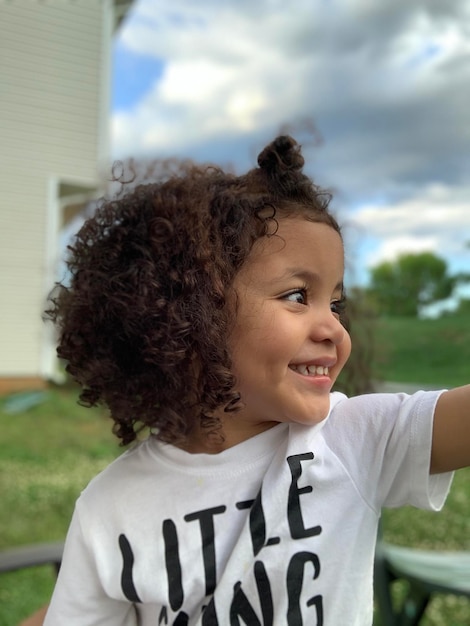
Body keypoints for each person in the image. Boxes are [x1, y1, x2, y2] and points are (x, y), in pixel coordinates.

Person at [42, 135, 469, 626]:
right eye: (296, 295)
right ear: (192, 315)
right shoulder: (108, 508)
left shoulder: (353, 439)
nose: (334, 328)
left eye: (335, 303)